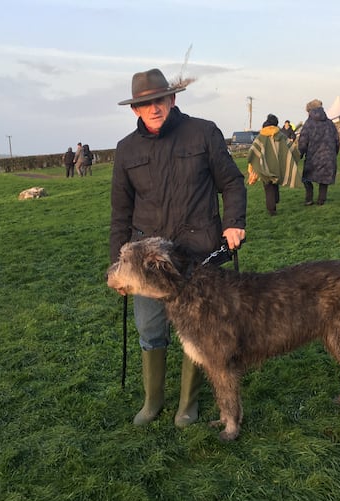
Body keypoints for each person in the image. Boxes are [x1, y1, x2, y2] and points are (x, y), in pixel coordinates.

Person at [110, 67, 247, 429]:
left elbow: (232, 183)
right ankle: (152, 401)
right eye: (145, 104)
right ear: (135, 110)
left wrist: (234, 222)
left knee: (201, 332)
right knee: (150, 329)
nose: (154, 108)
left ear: (172, 99)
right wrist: (118, 267)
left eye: (159, 99)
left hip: (200, 256)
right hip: (147, 265)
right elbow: (120, 214)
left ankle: (188, 404)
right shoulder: (126, 150)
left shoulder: (204, 132)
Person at [247, 114, 301, 216]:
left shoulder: (260, 137)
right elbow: (292, 148)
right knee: (275, 183)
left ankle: (271, 209)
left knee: (268, 187)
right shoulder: (281, 136)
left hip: (264, 167)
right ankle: (275, 199)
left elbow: (253, 151)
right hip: (277, 166)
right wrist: (297, 156)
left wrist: (251, 163)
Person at [298, 99, 339, 206]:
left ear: (309, 111)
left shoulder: (308, 124)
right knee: (324, 179)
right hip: (328, 155)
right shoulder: (330, 123)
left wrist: (300, 154)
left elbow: (303, 141)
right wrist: (335, 153)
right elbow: (336, 139)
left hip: (313, 156)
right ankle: (321, 200)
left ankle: (309, 198)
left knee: (306, 178)